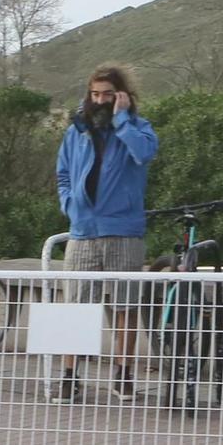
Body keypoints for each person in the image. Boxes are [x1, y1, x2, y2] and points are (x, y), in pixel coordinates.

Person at [52, 64, 159, 404]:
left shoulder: (138, 128)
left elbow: (144, 154)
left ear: (121, 95)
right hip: (83, 231)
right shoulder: (77, 132)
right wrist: (71, 206)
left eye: (107, 95)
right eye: (95, 94)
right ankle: (70, 377)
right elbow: (63, 174)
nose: (99, 100)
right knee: (75, 307)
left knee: (125, 306)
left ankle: (123, 375)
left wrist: (122, 120)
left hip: (124, 230)